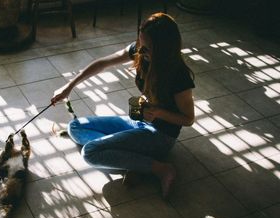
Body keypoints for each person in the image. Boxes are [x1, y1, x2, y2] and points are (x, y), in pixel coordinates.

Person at [51, 13, 195, 199]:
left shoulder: (179, 75)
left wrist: (159, 112)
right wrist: (68, 86)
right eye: (140, 44)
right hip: (139, 122)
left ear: (164, 49)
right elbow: (103, 63)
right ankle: (134, 160)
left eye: (147, 49)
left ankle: (160, 168)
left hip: (160, 135)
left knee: (90, 152)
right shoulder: (141, 50)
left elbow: (188, 119)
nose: (141, 51)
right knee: (75, 126)